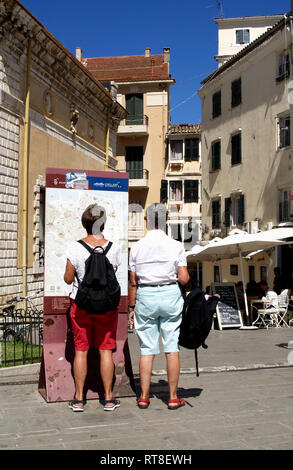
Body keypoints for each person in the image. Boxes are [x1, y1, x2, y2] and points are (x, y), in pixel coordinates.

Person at [128, 203, 190, 410]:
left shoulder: (136, 247)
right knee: (172, 347)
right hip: (170, 294)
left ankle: (144, 396)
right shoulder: (176, 245)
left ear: (146, 220)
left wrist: (131, 307)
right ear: (166, 221)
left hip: (145, 295)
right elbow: (183, 277)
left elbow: (133, 281)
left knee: (147, 349)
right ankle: (173, 397)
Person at [64, 203, 122, 412]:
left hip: (81, 306)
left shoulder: (75, 247)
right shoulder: (114, 247)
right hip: (107, 306)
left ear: (84, 223)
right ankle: (108, 398)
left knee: (81, 350)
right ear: (103, 224)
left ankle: (79, 399)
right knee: (106, 350)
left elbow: (68, 279)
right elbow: (111, 275)